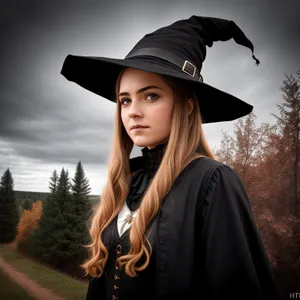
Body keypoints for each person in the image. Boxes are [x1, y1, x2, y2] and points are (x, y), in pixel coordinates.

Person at [61, 15, 281, 300]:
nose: (132, 111)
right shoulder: (128, 181)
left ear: (187, 106)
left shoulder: (212, 181)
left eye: (150, 96)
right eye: (125, 99)